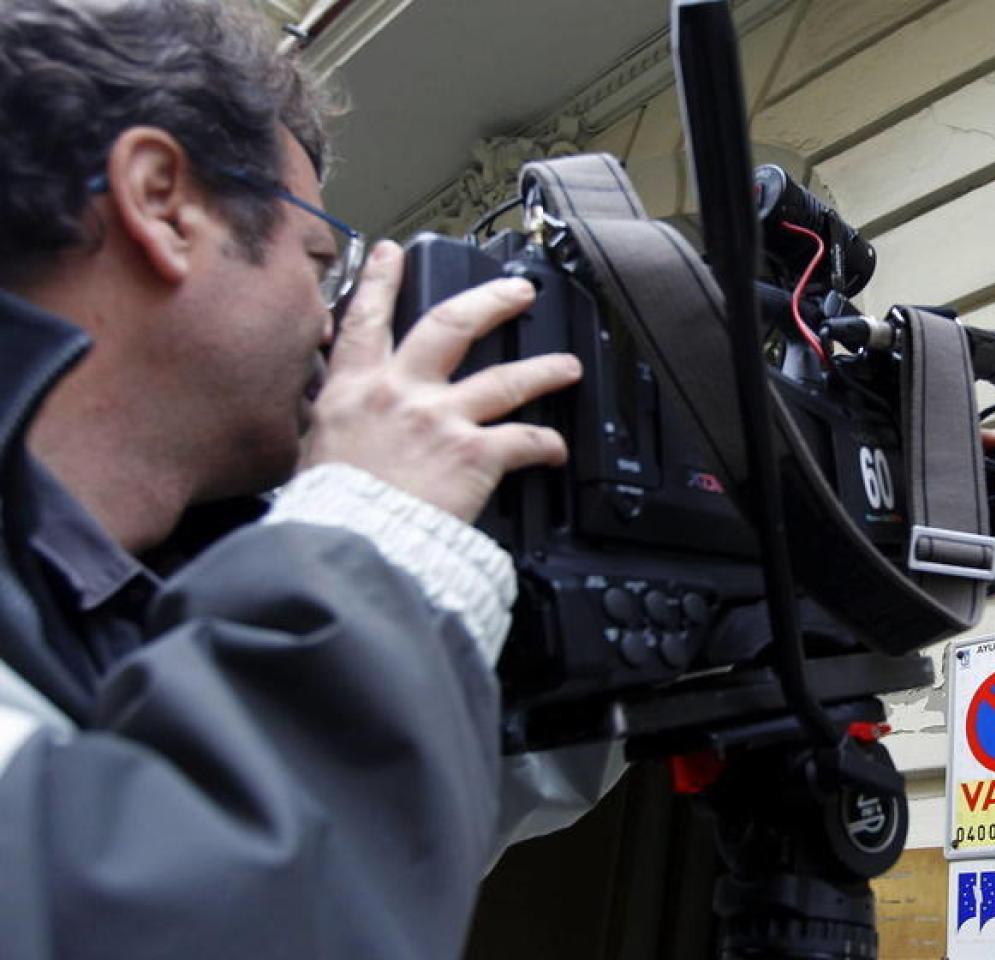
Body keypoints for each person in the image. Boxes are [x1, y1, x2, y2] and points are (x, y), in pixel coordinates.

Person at [0, 0, 611, 955]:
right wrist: (375, 540)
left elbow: (346, 867)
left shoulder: (97, 599)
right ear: (162, 203)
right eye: (321, 258)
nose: (334, 323)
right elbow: (171, 914)